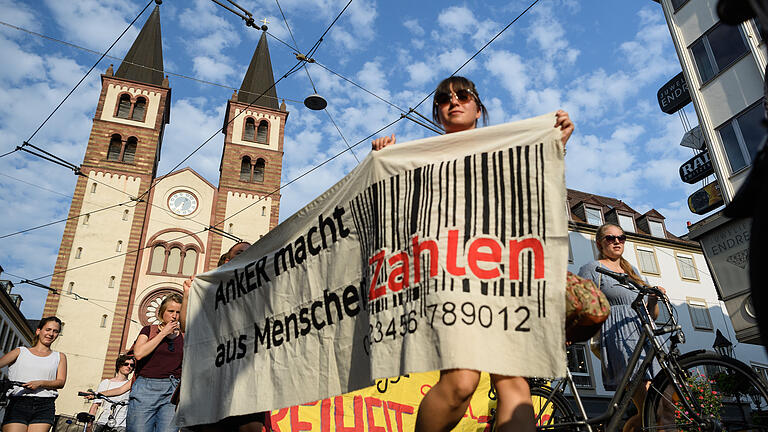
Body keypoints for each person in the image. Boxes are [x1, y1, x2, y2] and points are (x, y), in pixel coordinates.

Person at [372, 76, 574, 432]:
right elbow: (393, 212)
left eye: (462, 95)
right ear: (437, 112)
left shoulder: (506, 149)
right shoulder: (418, 158)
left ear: (478, 108)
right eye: (444, 99)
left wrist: (554, 144)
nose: (454, 101)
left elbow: (533, 192)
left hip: (503, 270)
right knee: (461, 382)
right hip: (452, 271)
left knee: (513, 383)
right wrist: (382, 162)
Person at [577, 223, 667, 432]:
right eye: (610, 238)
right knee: (650, 410)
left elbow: (652, 314)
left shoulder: (631, 271)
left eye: (621, 237)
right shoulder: (592, 268)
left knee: (665, 407)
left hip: (646, 333)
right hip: (620, 336)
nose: (617, 241)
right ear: (600, 243)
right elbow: (579, 302)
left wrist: (653, 300)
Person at [180, 242, 266, 432]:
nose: (246, 254)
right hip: (211, 375)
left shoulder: (262, 284)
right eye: (240, 252)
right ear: (227, 260)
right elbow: (186, 325)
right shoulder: (209, 288)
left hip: (247, 373)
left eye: (250, 252)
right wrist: (187, 295)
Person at [121, 294, 184, 432]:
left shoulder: (184, 336)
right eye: (170, 311)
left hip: (172, 391)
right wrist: (163, 333)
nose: (174, 316)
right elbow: (139, 353)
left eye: (178, 312)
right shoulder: (149, 330)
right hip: (146, 388)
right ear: (162, 312)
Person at [0, 316, 66, 432]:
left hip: (44, 405)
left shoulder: (59, 357)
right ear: (38, 331)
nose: (51, 334)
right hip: (18, 403)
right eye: (48, 329)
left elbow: (60, 382)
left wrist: (40, 383)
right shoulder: (21, 351)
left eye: (55, 331)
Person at [87, 354, 134, 432]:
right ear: (119, 365)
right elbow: (95, 405)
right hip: (103, 422)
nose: (129, 366)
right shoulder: (106, 383)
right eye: (126, 364)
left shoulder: (131, 385)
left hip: (121, 425)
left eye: (131, 365)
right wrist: (89, 424)